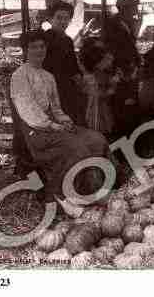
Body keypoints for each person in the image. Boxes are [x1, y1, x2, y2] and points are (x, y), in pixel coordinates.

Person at [10, 30, 113, 216]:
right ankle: (59, 196)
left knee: (96, 139)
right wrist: (52, 125)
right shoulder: (19, 76)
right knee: (76, 146)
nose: (39, 50)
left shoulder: (48, 76)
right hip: (35, 131)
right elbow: (28, 110)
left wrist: (66, 121)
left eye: (41, 46)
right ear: (25, 50)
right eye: (33, 47)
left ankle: (92, 189)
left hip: (53, 126)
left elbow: (56, 108)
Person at [43, 0, 84, 126]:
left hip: (66, 87)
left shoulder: (67, 41)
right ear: (50, 19)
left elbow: (73, 66)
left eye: (66, 18)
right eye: (59, 18)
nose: (63, 22)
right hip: (48, 86)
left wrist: (80, 79)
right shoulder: (44, 39)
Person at [79, 38, 119, 136]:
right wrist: (113, 85)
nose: (110, 62)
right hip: (96, 110)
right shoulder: (98, 76)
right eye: (107, 60)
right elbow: (101, 94)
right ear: (98, 62)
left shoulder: (90, 74)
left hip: (92, 108)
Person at [103, 0, 142, 73]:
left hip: (127, 67)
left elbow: (131, 44)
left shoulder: (129, 23)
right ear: (125, 9)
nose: (136, 11)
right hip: (118, 68)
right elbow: (117, 47)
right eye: (134, 7)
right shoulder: (112, 23)